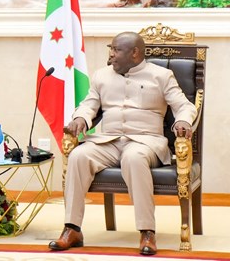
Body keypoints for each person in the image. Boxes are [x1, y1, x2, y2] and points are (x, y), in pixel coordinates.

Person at [49, 31, 196, 256]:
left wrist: (183, 122)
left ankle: (147, 231)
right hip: (108, 141)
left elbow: (184, 106)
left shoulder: (162, 76)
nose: (111, 55)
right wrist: (81, 117)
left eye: (116, 50)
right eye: (111, 49)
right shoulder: (101, 76)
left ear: (135, 53)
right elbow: (89, 105)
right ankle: (72, 228)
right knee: (78, 156)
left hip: (146, 141)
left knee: (133, 158)